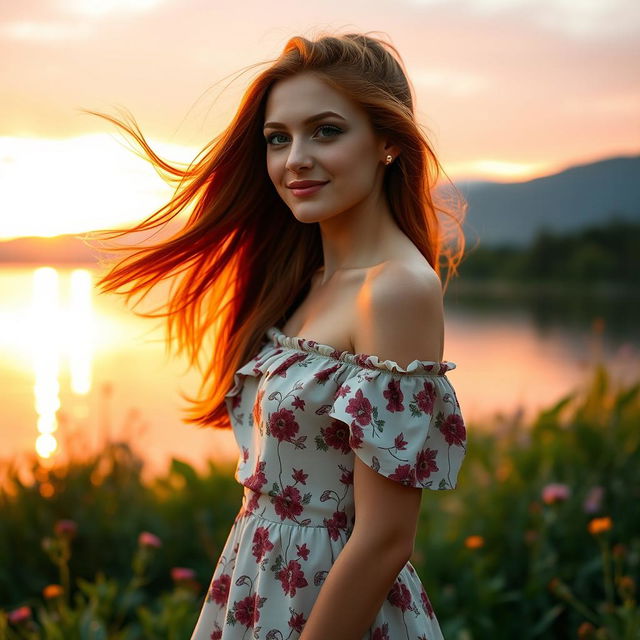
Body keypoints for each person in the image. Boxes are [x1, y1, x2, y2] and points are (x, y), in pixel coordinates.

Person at [83, 31, 468, 640]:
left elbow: (385, 538)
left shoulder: (396, 290)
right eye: (277, 139)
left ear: (388, 143)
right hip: (255, 591)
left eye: (326, 131)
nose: (295, 160)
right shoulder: (304, 280)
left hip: (332, 612)